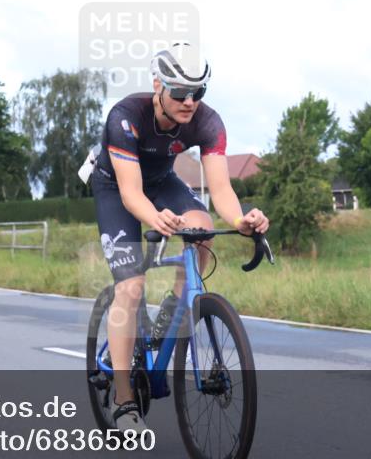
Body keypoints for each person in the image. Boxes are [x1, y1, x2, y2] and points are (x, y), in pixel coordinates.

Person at [87, 43, 269, 434]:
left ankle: (172, 310)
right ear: (158, 86)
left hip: (162, 182)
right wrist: (157, 218)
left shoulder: (208, 122)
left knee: (202, 230)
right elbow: (132, 194)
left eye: (198, 93)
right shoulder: (125, 116)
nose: (190, 102)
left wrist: (241, 219)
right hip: (117, 188)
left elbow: (219, 189)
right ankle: (123, 400)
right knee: (132, 286)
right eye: (180, 93)